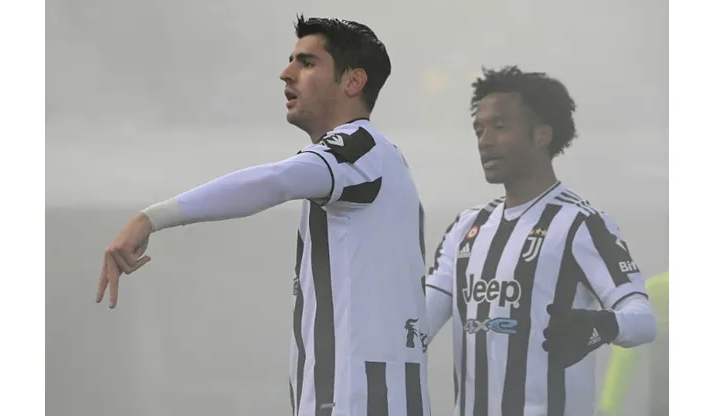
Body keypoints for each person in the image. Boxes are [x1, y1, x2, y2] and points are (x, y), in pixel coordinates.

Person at [96, 15, 432, 416]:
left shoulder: (360, 149)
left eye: (307, 62)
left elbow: (275, 181)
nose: (286, 73)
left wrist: (150, 218)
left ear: (353, 81)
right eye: (292, 61)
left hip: (358, 402)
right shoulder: (376, 162)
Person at [423, 66, 658, 416]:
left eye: (500, 127)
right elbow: (417, 325)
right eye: (479, 129)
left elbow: (643, 320)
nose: (484, 141)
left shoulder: (581, 223)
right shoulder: (467, 227)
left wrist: (601, 326)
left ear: (541, 135)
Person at [598, 272, 669, 416]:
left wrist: (609, 407)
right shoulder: (654, 292)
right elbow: (626, 356)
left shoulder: (653, 291)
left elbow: (626, 357)